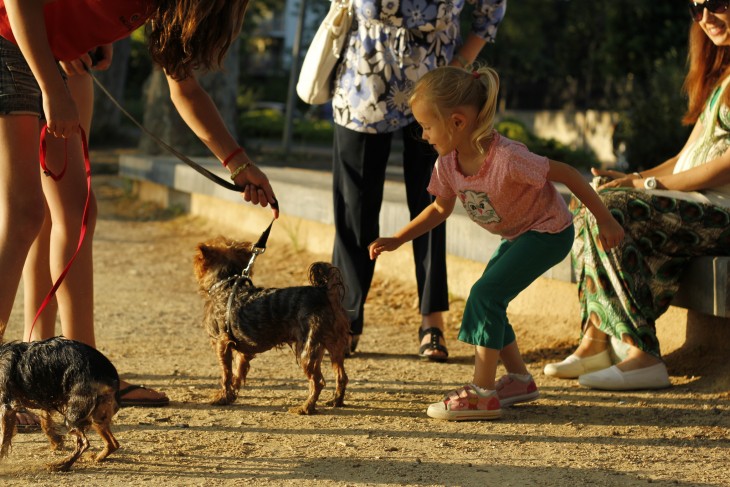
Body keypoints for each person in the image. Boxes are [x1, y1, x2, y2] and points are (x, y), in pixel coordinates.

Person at [0, 0, 278, 425]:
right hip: (8, 36)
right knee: (24, 212)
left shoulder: (169, 7)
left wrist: (238, 163)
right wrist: (53, 85)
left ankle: (85, 375)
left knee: (76, 215)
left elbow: (184, 87)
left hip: (50, 54)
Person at [369, 65, 625, 420]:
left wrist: (605, 219)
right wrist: (398, 237)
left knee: (485, 295)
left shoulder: (507, 158)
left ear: (457, 122)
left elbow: (566, 173)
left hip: (549, 231)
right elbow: (440, 209)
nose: (424, 135)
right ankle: (519, 380)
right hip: (519, 234)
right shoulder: (448, 163)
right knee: (490, 296)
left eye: (427, 126)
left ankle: (483, 393)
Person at [543, 1, 730, 391]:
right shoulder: (722, 78)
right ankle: (595, 342)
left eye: (719, 5)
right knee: (595, 199)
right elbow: (684, 159)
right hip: (699, 206)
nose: (706, 18)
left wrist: (647, 188)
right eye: (696, 9)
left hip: (722, 213)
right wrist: (632, 178)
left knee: (611, 208)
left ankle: (641, 353)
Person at [330, 0, 508, 361]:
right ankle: (345, 319)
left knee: (434, 205)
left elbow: (491, 10)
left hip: (438, 85)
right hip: (365, 80)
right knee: (354, 211)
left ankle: (432, 321)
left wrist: (457, 68)